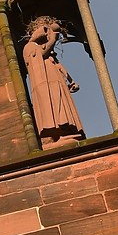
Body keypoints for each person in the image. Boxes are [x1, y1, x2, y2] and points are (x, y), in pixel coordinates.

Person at [22, 13, 84, 143]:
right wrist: (52, 39)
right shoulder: (30, 46)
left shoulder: (50, 53)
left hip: (55, 80)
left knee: (60, 100)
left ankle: (65, 129)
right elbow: (40, 54)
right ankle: (53, 134)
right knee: (50, 103)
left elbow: (59, 66)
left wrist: (71, 80)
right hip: (44, 82)